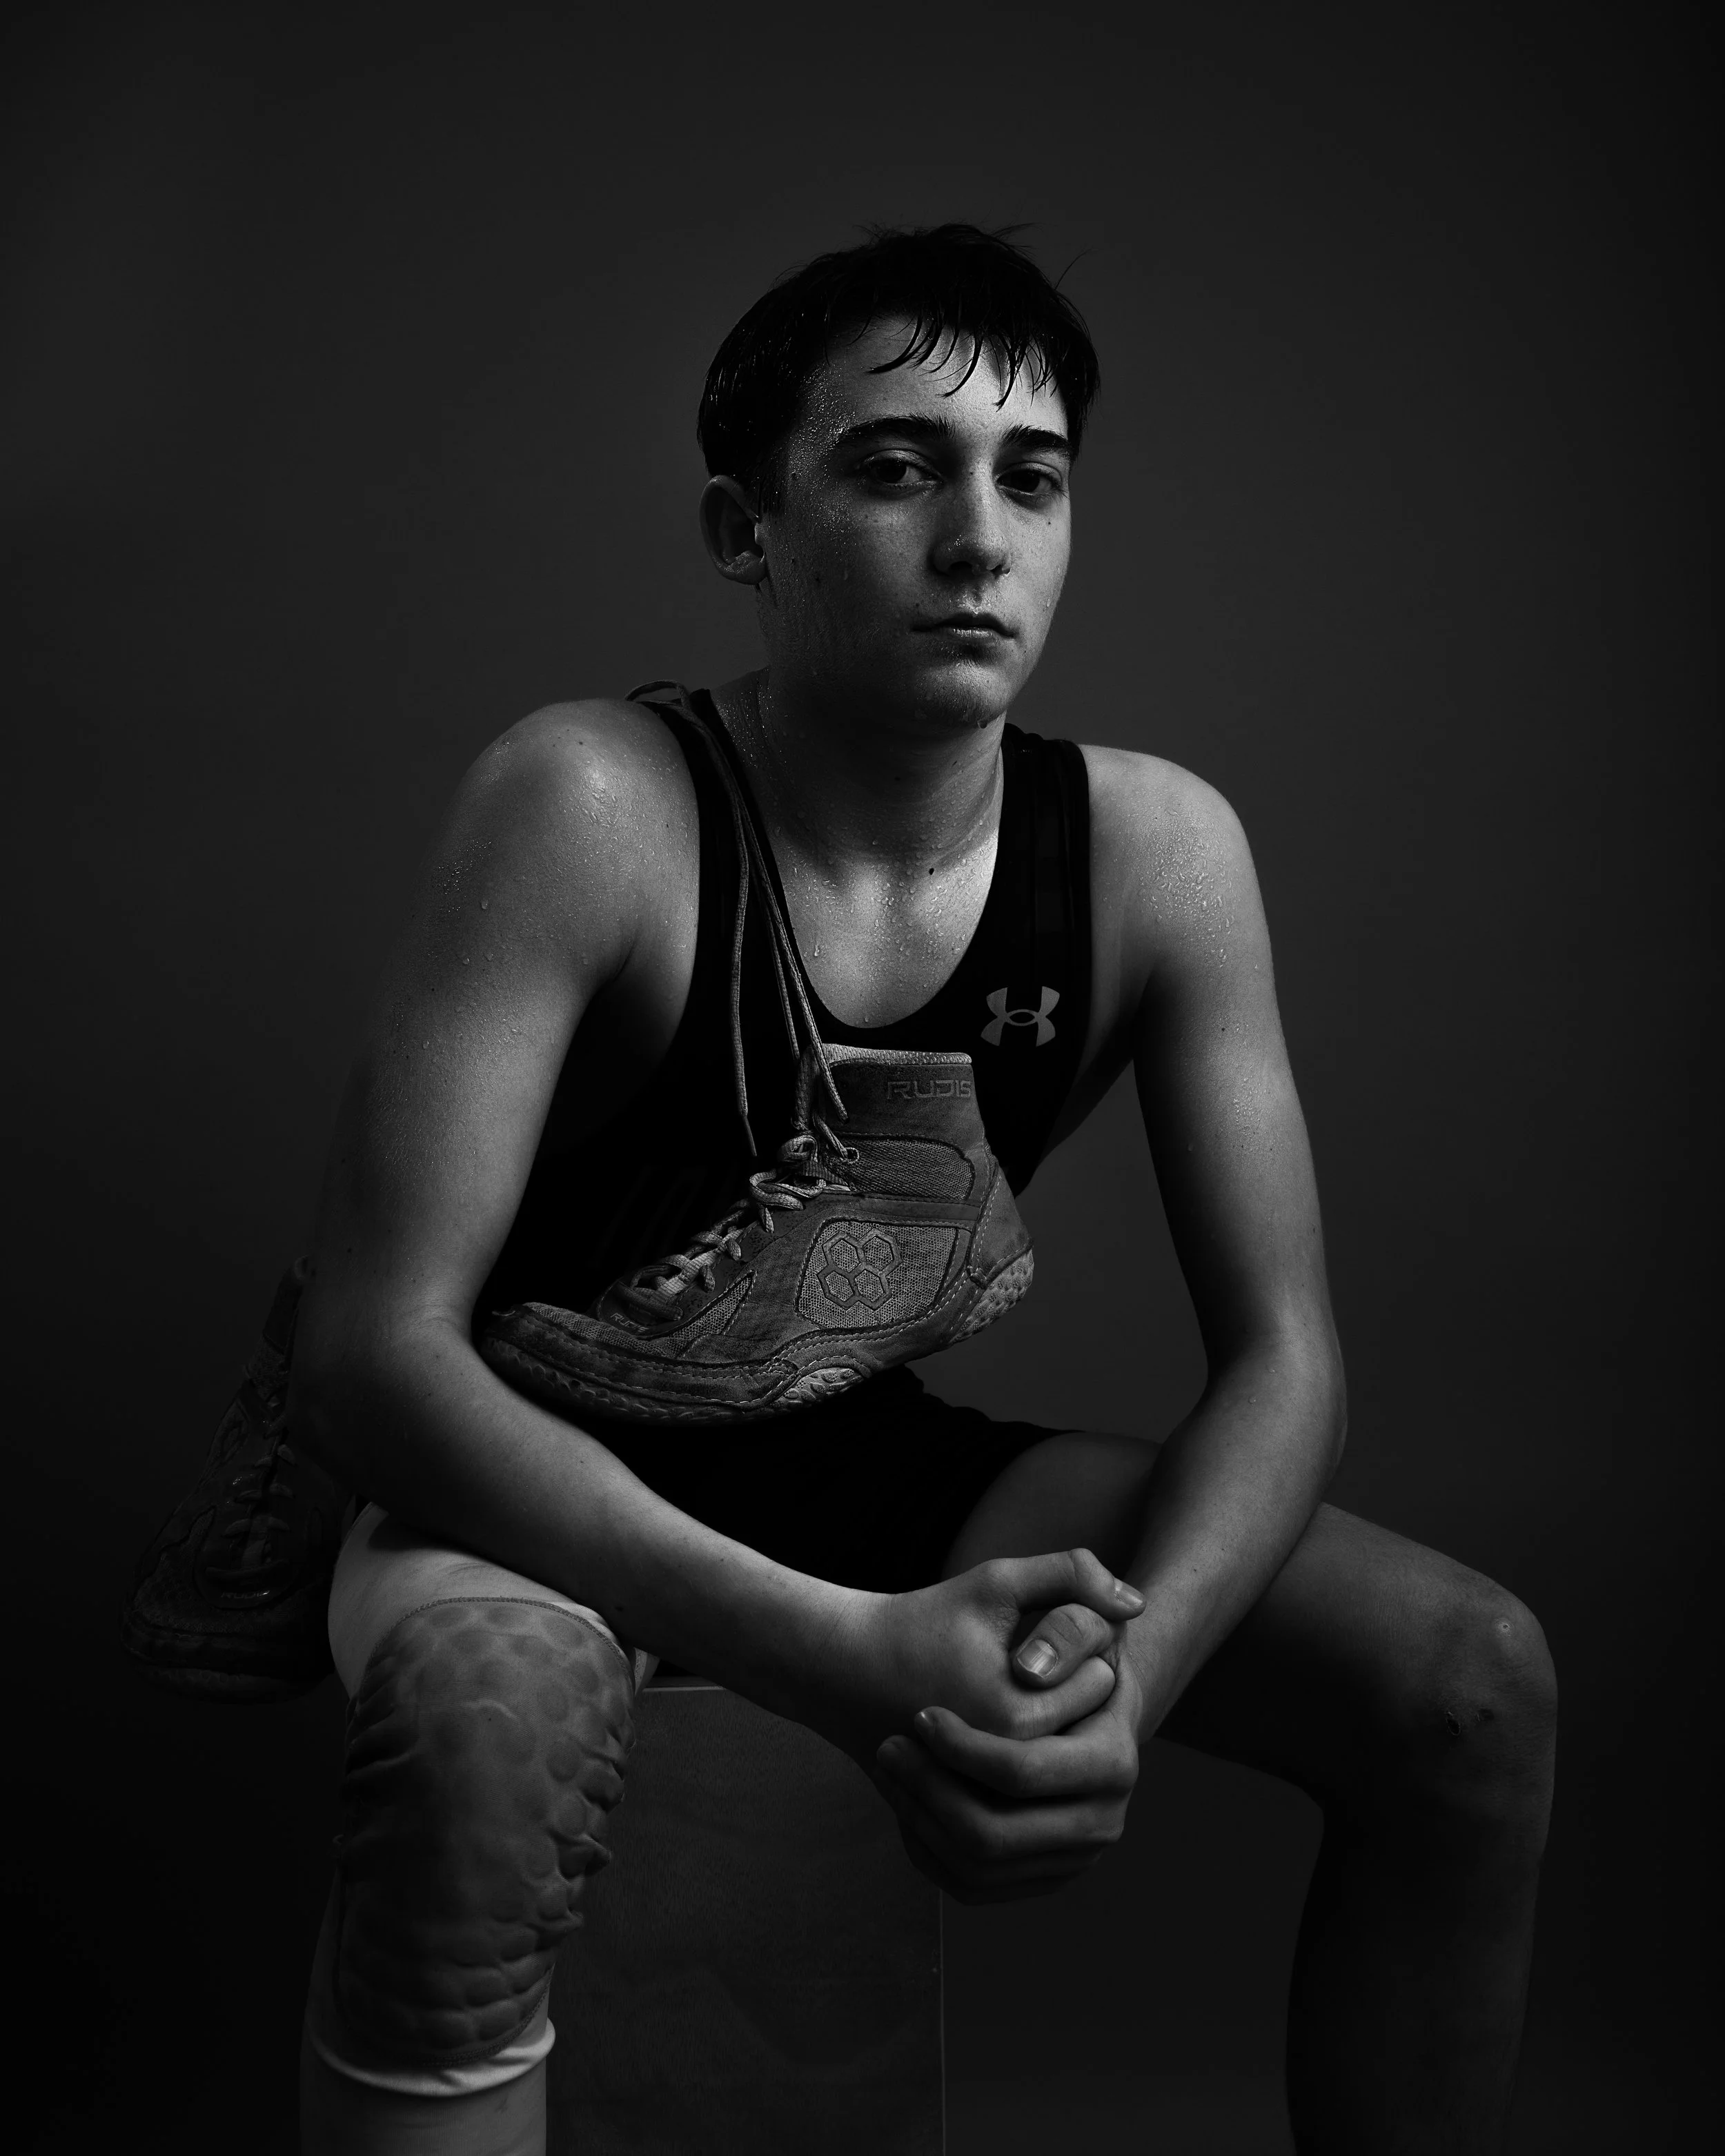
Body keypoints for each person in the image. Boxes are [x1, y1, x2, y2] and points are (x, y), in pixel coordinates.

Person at [140, 225, 1558, 2155]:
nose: (980, 536)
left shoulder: (1154, 849)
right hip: (519, 1461)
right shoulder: (586, 803)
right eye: (895, 467)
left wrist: (1126, 1692)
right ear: (747, 525)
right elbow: (380, 1359)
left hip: (844, 1439)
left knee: (1462, 1680)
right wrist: (835, 1650)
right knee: (485, 1719)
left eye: (1032, 478)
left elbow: (1286, 1358)